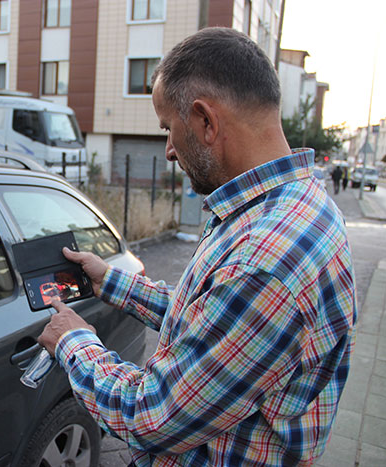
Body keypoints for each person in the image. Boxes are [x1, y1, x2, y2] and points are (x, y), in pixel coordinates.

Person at [38, 27, 356, 466]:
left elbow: (153, 416)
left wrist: (74, 342)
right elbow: (211, 322)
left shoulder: (267, 258)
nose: (168, 149)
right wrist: (111, 281)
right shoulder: (293, 206)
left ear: (206, 121)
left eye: (169, 127)